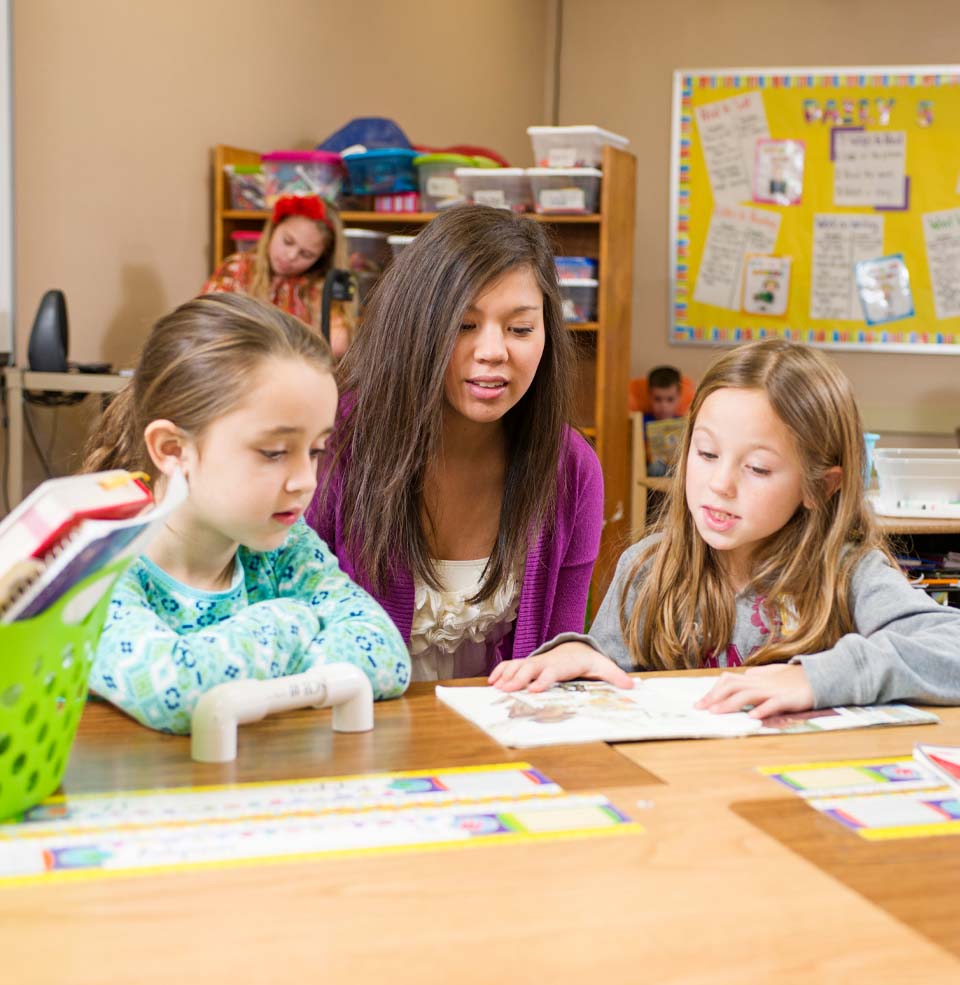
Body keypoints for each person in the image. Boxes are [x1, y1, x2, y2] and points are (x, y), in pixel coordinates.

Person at [490, 339, 960, 717]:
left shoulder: (848, 572)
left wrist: (816, 678)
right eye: (707, 454)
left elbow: (950, 649)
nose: (719, 484)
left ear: (820, 485)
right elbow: (617, 680)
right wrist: (583, 658)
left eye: (756, 468)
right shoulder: (648, 568)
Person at [81, 294, 410, 734]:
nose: (305, 481)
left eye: (315, 450)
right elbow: (180, 694)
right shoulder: (96, 567)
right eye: (274, 452)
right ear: (173, 450)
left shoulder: (286, 546)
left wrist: (239, 676)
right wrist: (294, 620)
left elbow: (386, 655)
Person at [307, 205, 603, 682]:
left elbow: (555, 657)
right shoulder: (337, 441)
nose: (492, 351)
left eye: (521, 328)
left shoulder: (572, 468)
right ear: (416, 326)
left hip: (498, 747)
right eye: (465, 325)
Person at [202, 194, 354, 359]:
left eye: (306, 254)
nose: (290, 256)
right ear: (274, 228)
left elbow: (339, 345)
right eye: (287, 241)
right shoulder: (236, 269)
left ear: (321, 259)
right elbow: (204, 326)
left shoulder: (319, 287)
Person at [643, 365, 684, 477]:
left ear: (679, 397)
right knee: (656, 467)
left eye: (670, 399)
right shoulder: (643, 422)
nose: (663, 406)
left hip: (677, 468)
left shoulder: (684, 423)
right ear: (649, 396)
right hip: (653, 469)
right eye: (658, 399)